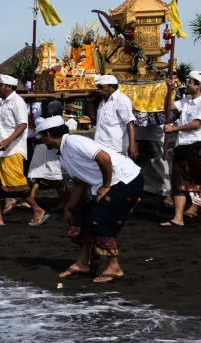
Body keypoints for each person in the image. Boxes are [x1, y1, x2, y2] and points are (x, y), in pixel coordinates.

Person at [38, 116, 143, 283]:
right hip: (107, 183)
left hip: (126, 178)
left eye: (42, 136)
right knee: (80, 219)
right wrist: (69, 208)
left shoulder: (73, 141)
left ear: (49, 134)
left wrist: (106, 185)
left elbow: (104, 158)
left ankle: (114, 267)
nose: (42, 141)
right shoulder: (63, 155)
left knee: (98, 219)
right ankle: (83, 262)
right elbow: (80, 182)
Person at [161, 72, 201, 227]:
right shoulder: (187, 101)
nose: (187, 84)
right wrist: (169, 90)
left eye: (190, 82)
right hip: (182, 145)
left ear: (198, 85)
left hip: (198, 147)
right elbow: (168, 107)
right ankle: (178, 218)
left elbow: (196, 124)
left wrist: (174, 129)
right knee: (179, 183)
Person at [0, 74, 30, 227]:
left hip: (13, 150)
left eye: (0, 85)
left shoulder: (17, 102)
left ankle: (37, 210)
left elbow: (22, 125)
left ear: (8, 87)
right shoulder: (1, 103)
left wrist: (9, 140)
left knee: (17, 186)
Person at [93, 75, 137, 158]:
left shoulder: (121, 100)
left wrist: (132, 146)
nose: (99, 90)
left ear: (112, 86)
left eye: (101, 87)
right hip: (100, 147)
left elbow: (129, 123)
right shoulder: (102, 102)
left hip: (115, 149)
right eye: (98, 87)